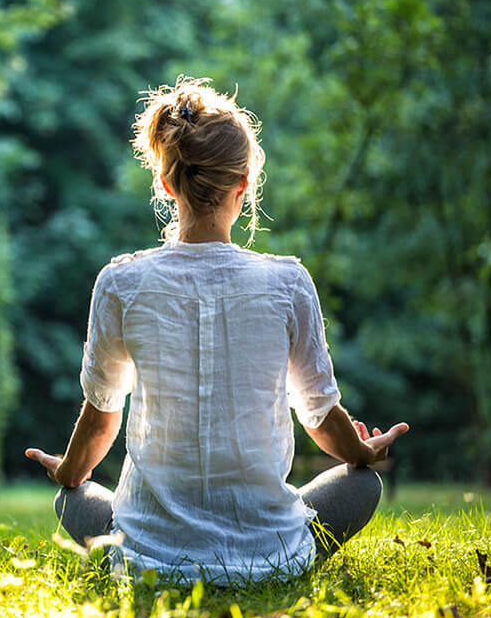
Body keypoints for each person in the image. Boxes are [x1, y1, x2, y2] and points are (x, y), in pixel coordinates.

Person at [25, 76, 409, 584]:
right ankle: (276, 557)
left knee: (71, 498)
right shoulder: (287, 282)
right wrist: (362, 452)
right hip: (269, 554)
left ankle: (145, 546)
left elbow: (101, 420)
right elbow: (319, 416)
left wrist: (69, 472)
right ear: (244, 184)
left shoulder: (120, 282)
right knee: (363, 487)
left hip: (149, 560)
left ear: (166, 182)